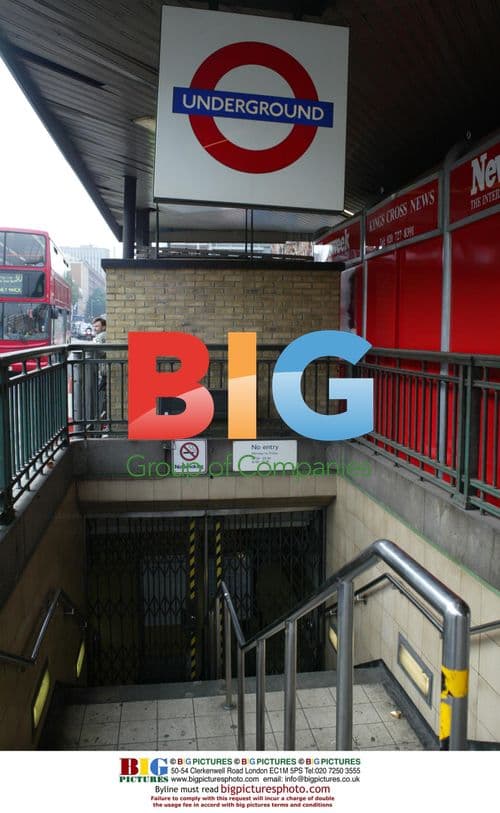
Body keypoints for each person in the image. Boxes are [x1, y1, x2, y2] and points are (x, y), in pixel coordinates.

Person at [92, 317, 107, 422]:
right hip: (105, 371)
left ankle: (100, 421)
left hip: (105, 372)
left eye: (97, 326)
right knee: (103, 395)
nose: (95, 328)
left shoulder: (101, 336)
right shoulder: (103, 335)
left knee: (99, 395)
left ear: (104, 327)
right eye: (94, 326)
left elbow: (98, 350)